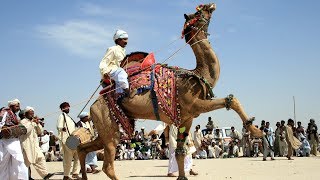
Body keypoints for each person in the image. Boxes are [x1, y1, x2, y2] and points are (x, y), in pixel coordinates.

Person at [19, 106, 54, 180]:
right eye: (30, 113)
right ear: (26, 114)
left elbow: (40, 132)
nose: (32, 115)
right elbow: (26, 131)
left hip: (35, 146)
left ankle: (45, 175)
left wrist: (38, 124)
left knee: (40, 158)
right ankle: (25, 177)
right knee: (26, 163)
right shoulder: (23, 122)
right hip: (26, 146)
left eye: (33, 113)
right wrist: (32, 123)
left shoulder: (33, 122)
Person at [0, 99, 28, 180]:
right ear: (11, 106)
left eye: (19, 106)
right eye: (17, 106)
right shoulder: (4, 112)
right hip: (5, 141)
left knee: (18, 161)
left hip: (14, 141)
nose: (19, 108)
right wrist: (4, 128)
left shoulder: (15, 116)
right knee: (3, 163)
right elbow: (0, 123)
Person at [99, 29, 129, 94]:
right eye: (124, 39)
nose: (126, 42)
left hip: (118, 74)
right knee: (121, 72)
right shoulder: (113, 49)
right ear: (118, 40)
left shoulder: (123, 52)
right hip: (111, 72)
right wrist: (105, 72)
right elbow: (104, 62)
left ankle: (120, 96)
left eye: (127, 39)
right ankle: (127, 90)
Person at [56, 102, 80, 180]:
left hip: (73, 139)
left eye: (68, 107)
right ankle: (66, 176)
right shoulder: (61, 116)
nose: (68, 108)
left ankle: (75, 173)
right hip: (67, 140)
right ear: (63, 108)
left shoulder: (68, 117)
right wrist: (62, 128)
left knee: (77, 157)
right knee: (68, 159)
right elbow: (59, 126)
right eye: (66, 107)